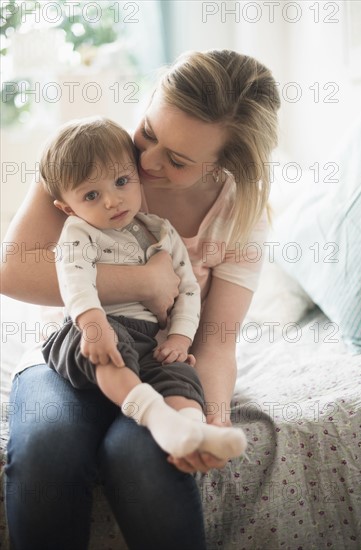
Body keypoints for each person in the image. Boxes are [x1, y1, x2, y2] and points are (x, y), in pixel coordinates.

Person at [1, 49, 280, 550]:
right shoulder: (89, 155)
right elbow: (12, 269)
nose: (146, 161)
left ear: (224, 164)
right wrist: (141, 282)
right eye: (149, 132)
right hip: (70, 349)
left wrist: (213, 420)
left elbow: (216, 341)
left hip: (164, 359)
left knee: (142, 454)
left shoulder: (239, 212)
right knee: (48, 445)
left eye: (176, 160)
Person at [40, 116, 247, 461]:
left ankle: (194, 428)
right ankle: (157, 417)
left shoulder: (160, 232)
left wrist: (180, 338)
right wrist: (93, 324)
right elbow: (73, 277)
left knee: (178, 371)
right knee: (111, 348)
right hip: (90, 329)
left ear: (136, 177)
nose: (112, 201)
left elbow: (188, 290)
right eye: (92, 195)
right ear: (67, 207)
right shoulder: (79, 232)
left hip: (149, 339)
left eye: (121, 182)